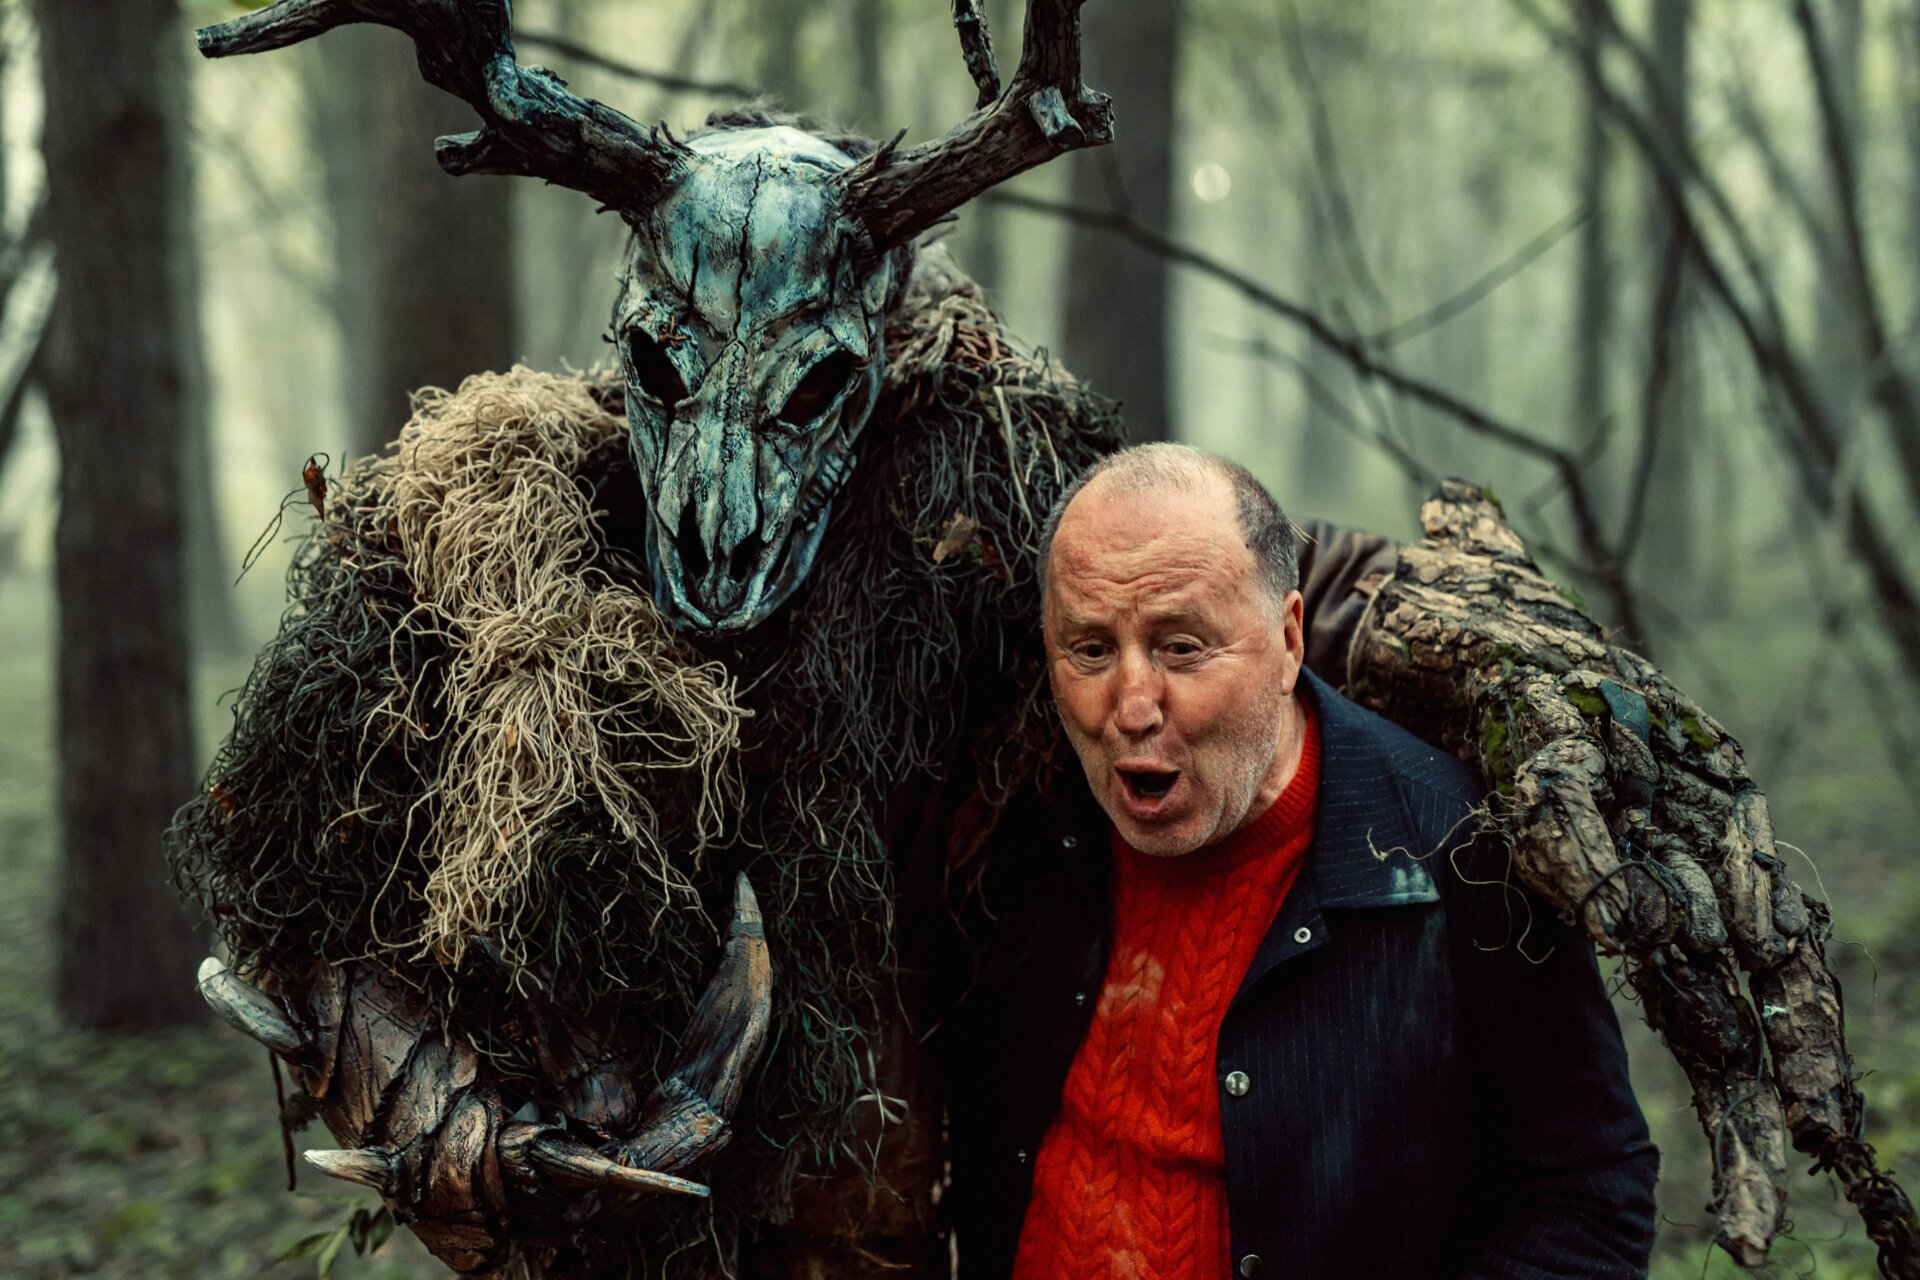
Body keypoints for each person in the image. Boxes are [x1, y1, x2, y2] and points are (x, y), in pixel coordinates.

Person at [940, 443, 1658, 1279]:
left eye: (1182, 647)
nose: (1131, 709)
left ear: (1287, 641)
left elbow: (1588, 1198)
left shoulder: (1456, 851)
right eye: (1092, 651)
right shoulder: (1017, 818)